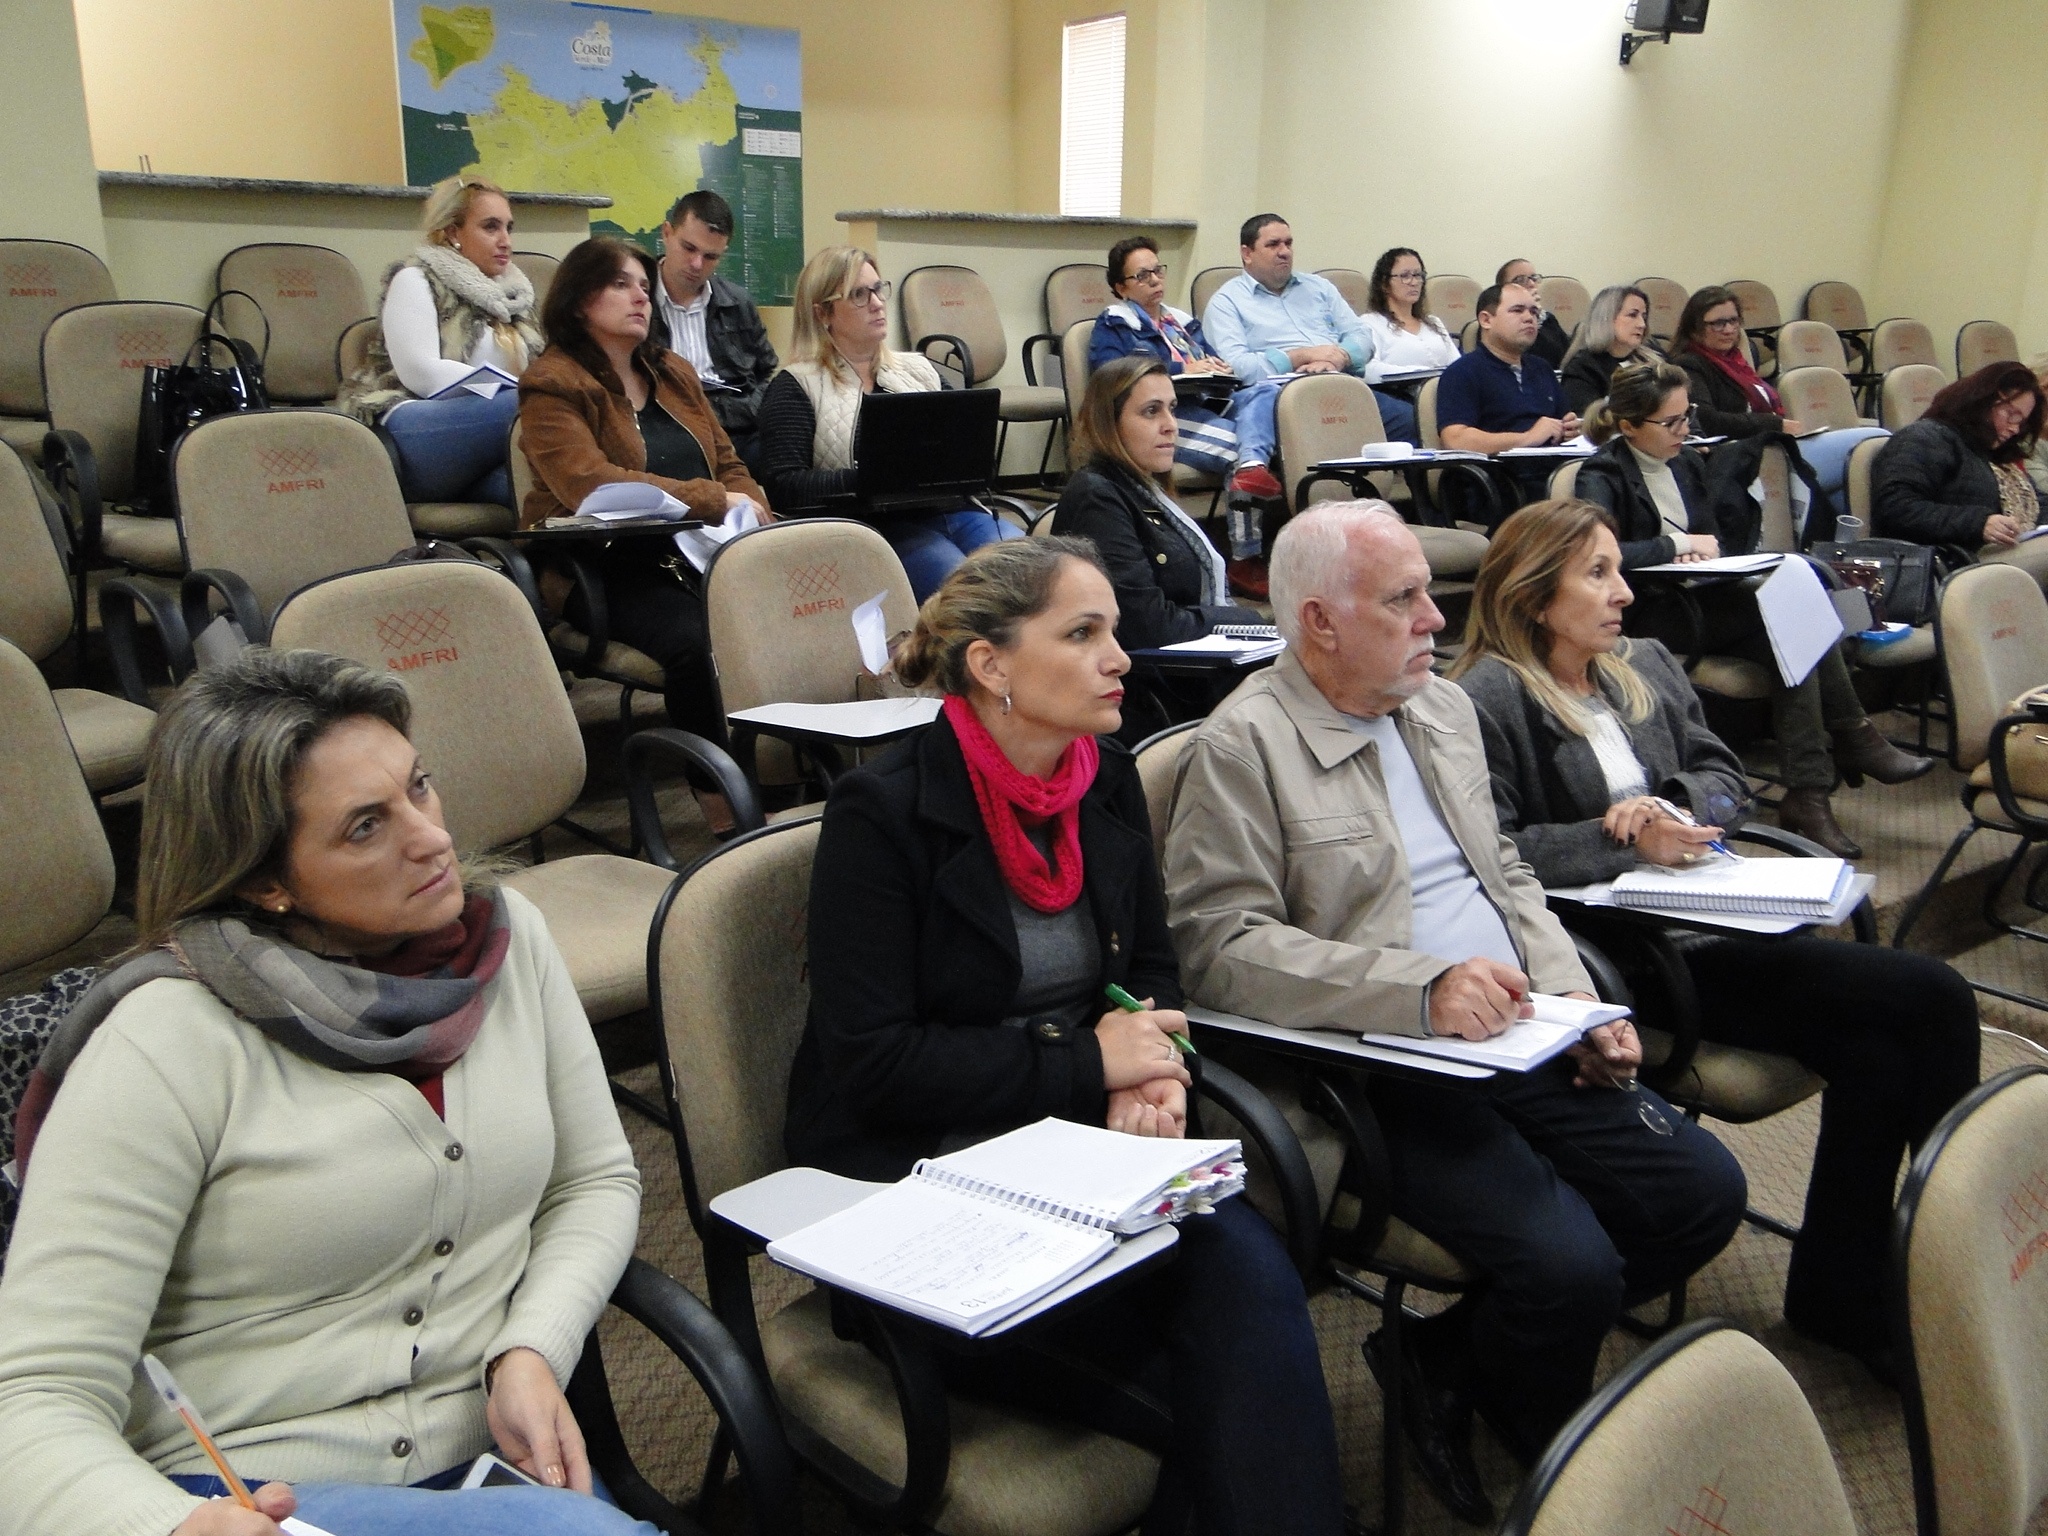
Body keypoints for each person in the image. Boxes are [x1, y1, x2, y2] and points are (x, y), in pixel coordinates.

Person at [1164, 503, 1744, 1522]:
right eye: (1402, 599)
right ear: (1318, 622)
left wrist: (1577, 997)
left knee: (1700, 1194)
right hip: (1373, 1066)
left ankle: (1445, 1358)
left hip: (1515, 1024)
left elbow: (1507, 873)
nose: (1436, 618)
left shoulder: (1436, 707)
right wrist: (1415, 993)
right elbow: (1217, 950)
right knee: (1568, 1267)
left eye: (1428, 593)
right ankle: (1536, 1425)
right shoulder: (1242, 747)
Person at [0, 648, 645, 1536]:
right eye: (365, 827)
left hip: (487, 1475)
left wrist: (530, 1347)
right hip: (241, 1495)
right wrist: (168, 1528)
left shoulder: (510, 943)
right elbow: (32, 1394)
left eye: (420, 788)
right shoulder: (166, 1042)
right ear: (266, 881)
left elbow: (594, 1180)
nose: (432, 838)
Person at [785, 539, 1348, 1536]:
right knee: (1223, 1403)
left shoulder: (1105, 778)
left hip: (1090, 1151)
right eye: (1082, 634)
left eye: (1114, 633)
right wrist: (1091, 1060)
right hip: (926, 1180)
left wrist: (1154, 1067)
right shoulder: (879, 815)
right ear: (990, 665)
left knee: (1255, 1299)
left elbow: (1155, 969)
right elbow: (872, 1065)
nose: (1119, 658)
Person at [1448, 498, 1979, 1380]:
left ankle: (1839, 1295)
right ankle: (1954, 1263)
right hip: (1630, 957)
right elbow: (1493, 853)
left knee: (1880, 1059)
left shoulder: (1641, 663)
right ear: (1537, 597)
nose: (1623, 591)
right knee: (1933, 995)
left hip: (1718, 920)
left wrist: (1683, 806)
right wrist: (1617, 837)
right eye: (1597, 574)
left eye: (1619, 568)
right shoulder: (1489, 697)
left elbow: (1728, 774)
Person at [1577, 363, 1930, 855]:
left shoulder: (1686, 464)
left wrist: (1716, 550)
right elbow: (1601, 555)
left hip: (1706, 597)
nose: (1686, 431)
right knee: (1790, 618)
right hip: (1647, 610)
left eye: (1688, 416)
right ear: (1630, 425)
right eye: (1672, 422)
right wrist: (1675, 544)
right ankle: (1847, 743)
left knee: (1791, 618)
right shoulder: (1601, 473)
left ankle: (1810, 789)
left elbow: (1713, 538)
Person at [517, 237, 768, 772]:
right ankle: (722, 801)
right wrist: (712, 498)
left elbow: (727, 462)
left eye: (643, 287)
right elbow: (589, 483)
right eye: (619, 284)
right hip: (604, 564)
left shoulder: (673, 371)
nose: (641, 297)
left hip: (703, 550)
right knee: (696, 642)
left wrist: (752, 501)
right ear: (581, 300)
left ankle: (791, 771)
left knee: (791, 611)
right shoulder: (551, 383)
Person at [755, 245, 1023, 600]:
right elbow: (784, 485)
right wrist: (871, 479)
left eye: (878, 289)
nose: (878, 303)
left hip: (949, 511)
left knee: (1027, 570)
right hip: (872, 526)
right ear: (823, 313)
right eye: (859, 295)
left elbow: (968, 452)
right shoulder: (796, 385)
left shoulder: (920, 370)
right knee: (962, 587)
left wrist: (969, 465)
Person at [1051, 356, 1263, 709]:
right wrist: (1239, 620)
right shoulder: (1098, 496)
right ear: (1110, 424)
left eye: (1172, 409)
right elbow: (1147, 627)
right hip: (1146, 694)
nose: (1170, 426)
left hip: (1186, 675)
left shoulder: (1146, 489)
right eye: (1151, 411)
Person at [1088, 234, 1284, 594]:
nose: (1154, 280)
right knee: (1235, 451)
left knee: (1264, 390)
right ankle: (1244, 558)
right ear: (1121, 287)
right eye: (1142, 275)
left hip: (1207, 402)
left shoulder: (1180, 323)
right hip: (1162, 414)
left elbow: (1207, 361)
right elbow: (1110, 379)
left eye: (1157, 271)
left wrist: (1217, 366)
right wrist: (1178, 370)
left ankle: (1253, 466)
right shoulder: (1114, 324)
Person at [339, 175, 543, 507]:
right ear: (452, 233)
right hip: (416, 425)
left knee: (546, 488)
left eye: (509, 227)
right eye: (491, 227)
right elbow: (420, 373)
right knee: (542, 403)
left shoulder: (515, 297)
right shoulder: (414, 279)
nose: (505, 240)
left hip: (491, 441)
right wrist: (516, 390)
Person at [1669, 285, 1885, 503]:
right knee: (1871, 440)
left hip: (1769, 445)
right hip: (1744, 455)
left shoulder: (1735, 363)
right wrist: (1774, 424)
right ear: (1695, 327)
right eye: (1717, 323)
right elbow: (1707, 419)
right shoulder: (1690, 364)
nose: (1728, 329)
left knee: (1845, 488)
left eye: (1733, 321)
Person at [1872, 360, 2048, 588]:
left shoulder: (1995, 453)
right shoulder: (1925, 437)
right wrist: (1978, 523)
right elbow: (1894, 507)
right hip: (1951, 562)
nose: (2014, 428)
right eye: (2010, 414)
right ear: (1983, 400)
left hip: (1996, 553)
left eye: (2021, 422)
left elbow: (2037, 503)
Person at [651, 190, 779, 473]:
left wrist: (738, 412)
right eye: (689, 248)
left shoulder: (738, 302)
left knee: (785, 457)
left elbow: (768, 375)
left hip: (735, 428)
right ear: (667, 233)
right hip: (668, 428)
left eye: (710, 256)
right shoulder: (639, 299)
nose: (697, 265)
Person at [1437, 284, 1580, 516]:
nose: (1529, 318)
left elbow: (1562, 422)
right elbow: (1456, 439)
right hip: (1499, 485)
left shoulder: (1542, 369)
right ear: (1486, 320)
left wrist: (1570, 430)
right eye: (1517, 310)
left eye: (1534, 312)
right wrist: (1527, 438)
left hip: (1551, 475)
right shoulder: (1463, 372)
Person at [1359, 246, 1459, 420]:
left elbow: (1457, 364)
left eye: (1418, 275)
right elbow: (1369, 369)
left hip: (1445, 396)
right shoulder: (1371, 322)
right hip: (1401, 400)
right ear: (1384, 284)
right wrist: (1419, 372)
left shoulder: (1434, 322)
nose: (1414, 282)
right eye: (1405, 276)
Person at [1559, 285, 1661, 416]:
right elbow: (1592, 424)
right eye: (1632, 315)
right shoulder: (1583, 369)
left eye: (1644, 316)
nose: (1642, 324)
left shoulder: (1656, 357)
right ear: (1606, 318)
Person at [1495, 260, 1571, 368]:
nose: (1531, 284)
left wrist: (1536, 315)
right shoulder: (1495, 321)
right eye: (1520, 280)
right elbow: (1523, 357)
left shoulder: (1548, 319)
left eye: (1534, 278)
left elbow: (1564, 357)